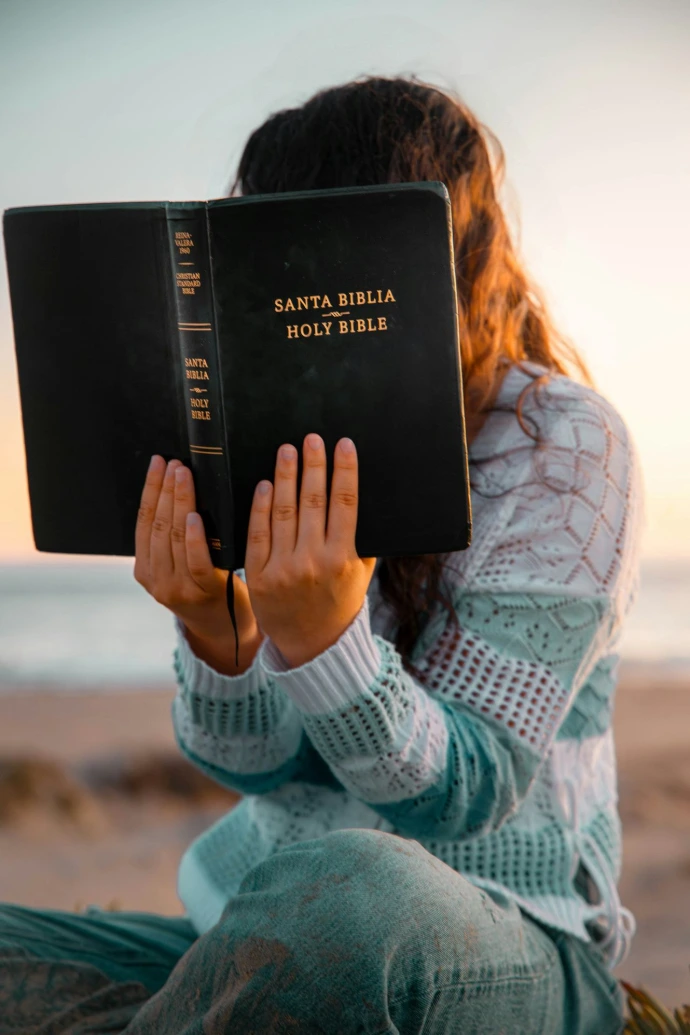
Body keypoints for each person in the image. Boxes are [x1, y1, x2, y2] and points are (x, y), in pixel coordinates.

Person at [0, 75, 643, 1035]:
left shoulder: (561, 446)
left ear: (443, 253)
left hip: (503, 936)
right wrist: (221, 635)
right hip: (257, 920)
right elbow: (258, 767)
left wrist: (324, 637)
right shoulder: (258, 436)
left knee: (351, 890)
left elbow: (467, 791)